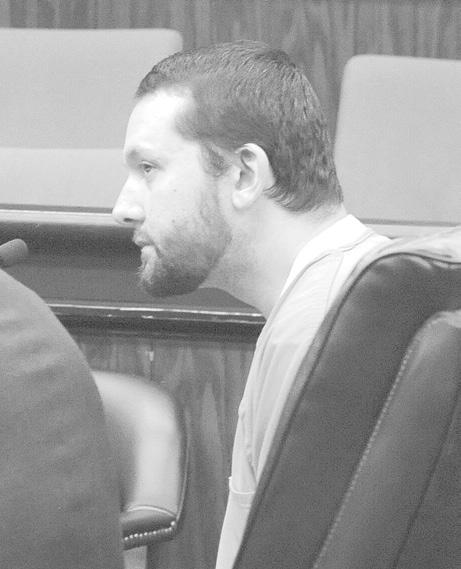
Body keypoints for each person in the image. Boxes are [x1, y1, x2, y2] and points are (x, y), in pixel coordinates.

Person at [112, 40, 389, 569]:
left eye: (148, 168)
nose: (122, 208)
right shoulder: (339, 299)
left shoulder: (319, 334)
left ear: (244, 175)